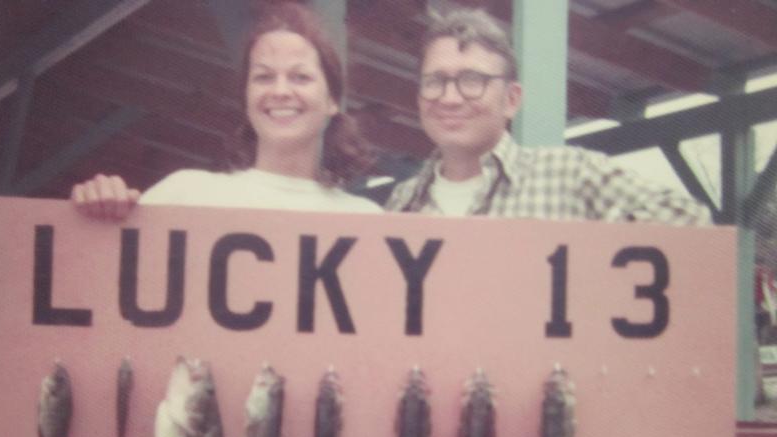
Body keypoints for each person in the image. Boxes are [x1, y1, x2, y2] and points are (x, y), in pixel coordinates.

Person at [385, 8, 712, 224]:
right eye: (435, 81)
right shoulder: (400, 203)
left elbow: (690, 220)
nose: (450, 98)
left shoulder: (571, 175)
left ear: (511, 100)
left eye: (472, 81)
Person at [71, 2, 381, 218]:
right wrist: (96, 213)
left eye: (300, 77)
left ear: (332, 101)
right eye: (263, 77)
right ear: (246, 98)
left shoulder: (365, 220)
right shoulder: (184, 194)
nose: (280, 91)